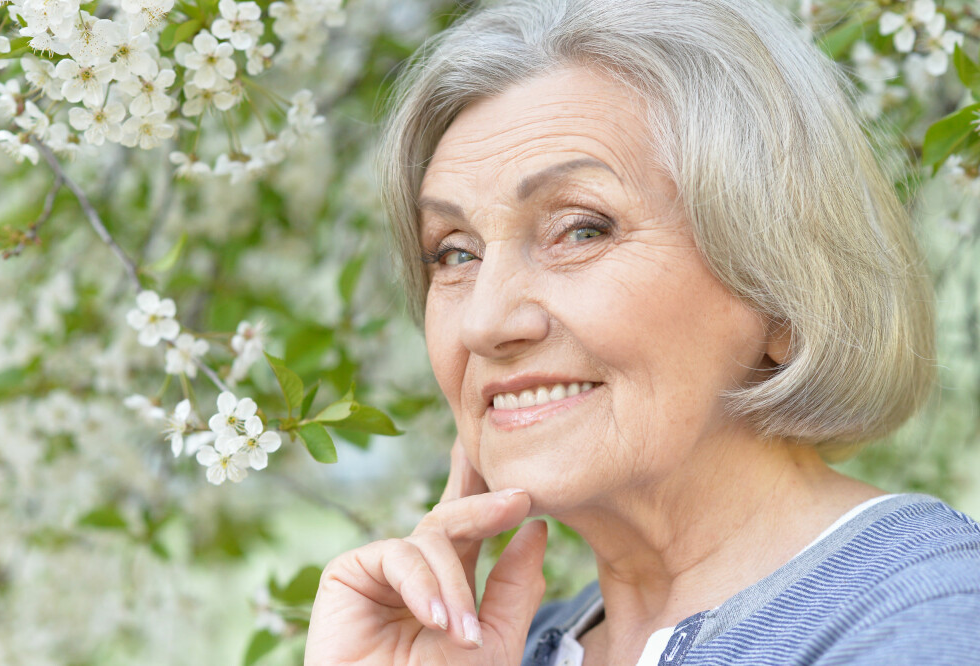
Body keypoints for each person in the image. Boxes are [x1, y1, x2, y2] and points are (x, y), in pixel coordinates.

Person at [306, 0, 980, 663]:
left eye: (581, 229)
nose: (484, 322)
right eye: (454, 251)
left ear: (781, 290)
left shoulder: (933, 621)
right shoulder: (495, 650)